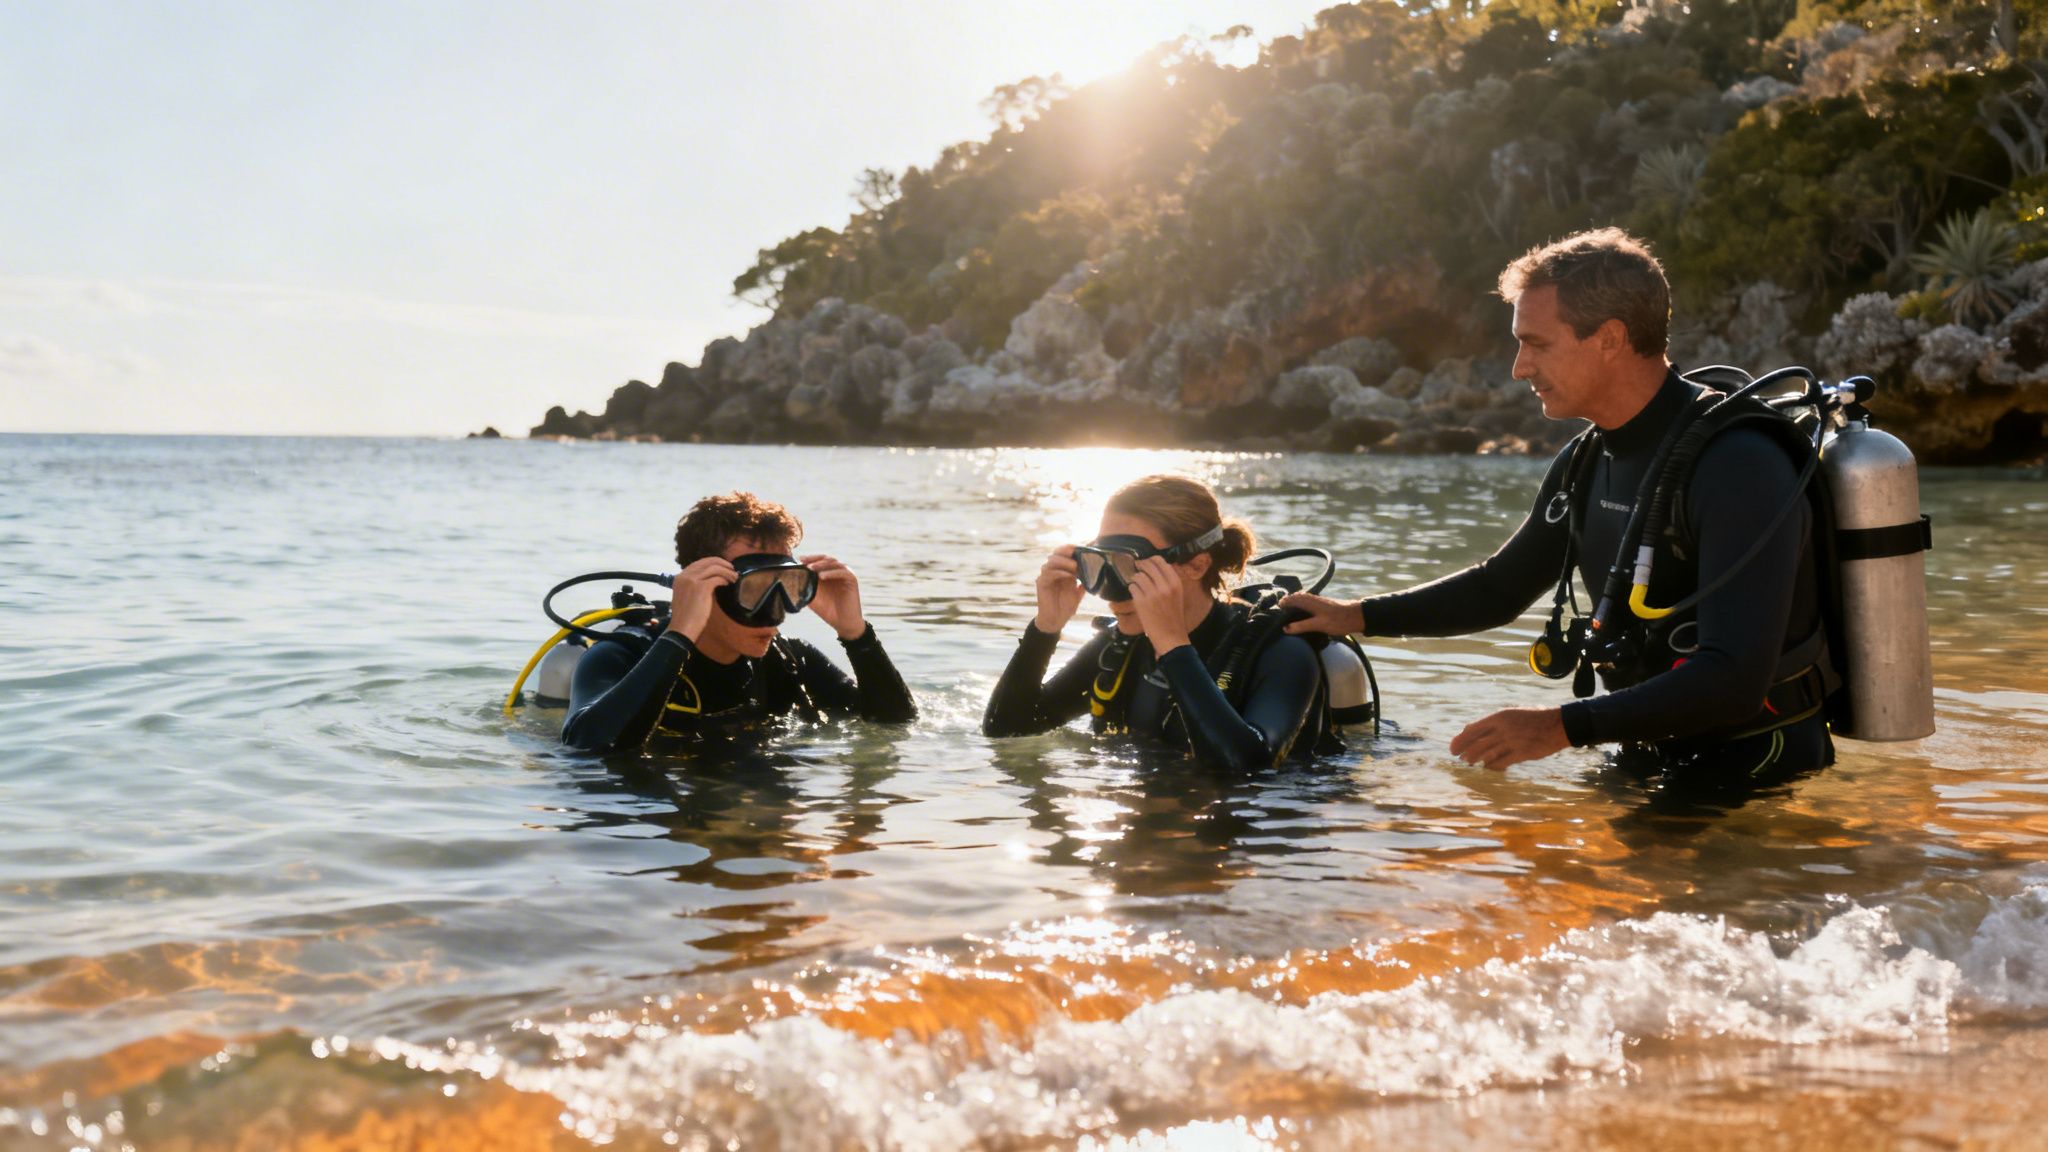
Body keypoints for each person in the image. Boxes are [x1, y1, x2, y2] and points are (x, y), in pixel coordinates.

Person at [1283, 228, 1831, 784]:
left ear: (1610, 339)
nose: (1519, 367)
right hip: (1650, 748)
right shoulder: (1588, 457)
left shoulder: (1738, 464)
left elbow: (1734, 678)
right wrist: (1354, 616)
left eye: (1537, 343)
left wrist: (1558, 728)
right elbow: (1499, 587)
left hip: (1755, 760)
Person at [983, 474, 1325, 772]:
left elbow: (1244, 768)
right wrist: (1045, 629)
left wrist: (1172, 644)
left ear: (1195, 565)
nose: (1110, 591)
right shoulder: (1121, 648)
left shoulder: (1282, 652)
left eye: (1130, 564)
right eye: (1101, 563)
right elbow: (1007, 730)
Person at [562, 492, 916, 752]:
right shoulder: (621, 656)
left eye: (786, 586)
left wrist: (855, 634)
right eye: (755, 587)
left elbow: (893, 725)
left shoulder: (789, 662)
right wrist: (680, 634)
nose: (772, 609)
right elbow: (590, 745)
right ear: (702, 583)